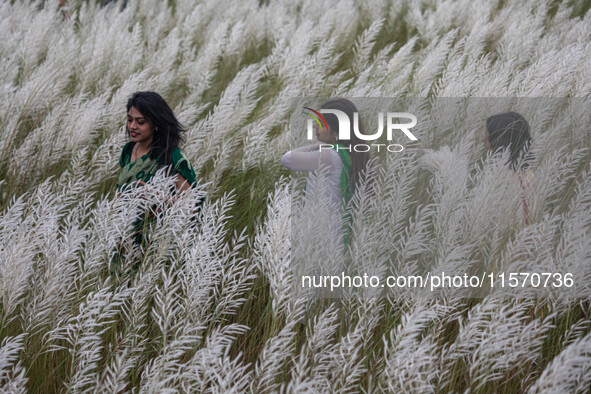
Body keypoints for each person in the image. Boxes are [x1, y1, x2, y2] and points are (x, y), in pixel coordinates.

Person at [112, 91, 200, 275]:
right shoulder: (128, 150)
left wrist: (157, 197)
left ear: (156, 124)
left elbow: (192, 204)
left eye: (140, 122)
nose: (132, 126)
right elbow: (122, 190)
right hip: (127, 236)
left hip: (158, 240)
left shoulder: (171, 156)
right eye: (129, 120)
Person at [281, 98, 370, 250]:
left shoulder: (328, 156)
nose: (315, 125)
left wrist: (318, 145)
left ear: (336, 131)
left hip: (322, 238)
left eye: (321, 124)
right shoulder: (348, 154)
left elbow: (287, 159)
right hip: (336, 233)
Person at [483, 111, 533, 225]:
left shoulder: (503, 177)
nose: (483, 139)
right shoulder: (529, 173)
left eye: (487, 135)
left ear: (500, 140)